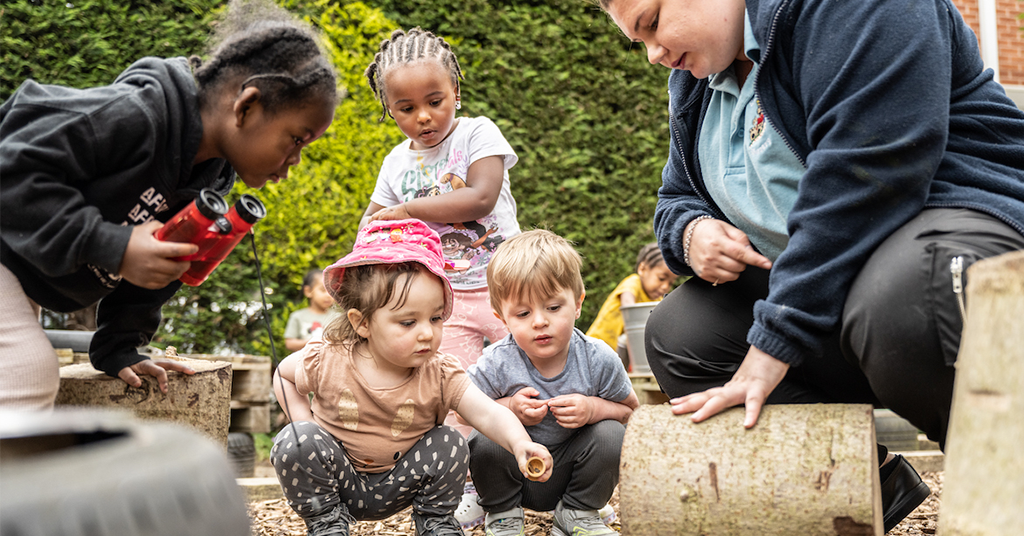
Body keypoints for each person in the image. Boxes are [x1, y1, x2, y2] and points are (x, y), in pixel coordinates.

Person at [601, 0, 1024, 531]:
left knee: (907, 300)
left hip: (954, 237)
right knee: (680, 334)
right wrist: (690, 233)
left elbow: (866, 174)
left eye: (652, 23)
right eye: (637, 41)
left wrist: (774, 341)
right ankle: (862, 487)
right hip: (839, 299)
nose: (652, 54)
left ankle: (1005, 483)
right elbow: (675, 196)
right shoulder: (697, 81)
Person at [0, 0, 338, 410]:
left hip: (20, 263)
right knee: (26, 373)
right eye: (297, 139)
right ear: (246, 106)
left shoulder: (212, 176)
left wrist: (121, 346)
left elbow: (161, 269)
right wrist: (114, 245)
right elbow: (11, 167)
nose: (296, 160)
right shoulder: (137, 114)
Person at [270, 218, 552, 536]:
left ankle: (435, 521)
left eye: (435, 318)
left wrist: (520, 443)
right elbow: (284, 374)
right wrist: (301, 421)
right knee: (297, 440)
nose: (427, 333)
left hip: (402, 481)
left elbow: (486, 412)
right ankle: (326, 523)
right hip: (339, 480)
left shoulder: (439, 371)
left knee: (449, 441)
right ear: (362, 323)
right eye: (408, 322)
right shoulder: (330, 357)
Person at [362, 26, 522, 528]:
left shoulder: (477, 133)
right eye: (406, 108)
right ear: (388, 109)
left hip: (506, 288)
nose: (424, 117)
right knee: (460, 399)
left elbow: (480, 196)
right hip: (446, 304)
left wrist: (407, 209)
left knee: (536, 377)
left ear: (456, 89)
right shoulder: (394, 162)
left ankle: (567, 482)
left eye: (435, 100)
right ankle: (478, 491)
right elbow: (369, 228)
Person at [466, 229, 639, 536]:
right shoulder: (497, 361)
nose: (539, 321)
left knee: (611, 433)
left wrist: (593, 408)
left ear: (578, 303)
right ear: (502, 319)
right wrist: (508, 409)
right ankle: (503, 515)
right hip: (516, 475)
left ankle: (578, 513)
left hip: (574, 474)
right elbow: (462, 408)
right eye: (522, 313)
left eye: (553, 307)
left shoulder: (597, 358)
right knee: (483, 438)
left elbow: (631, 414)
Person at [585, 242, 678, 371]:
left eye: (671, 283)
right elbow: (629, 308)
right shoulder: (633, 283)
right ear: (642, 269)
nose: (665, 287)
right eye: (661, 278)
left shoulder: (656, 300)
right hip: (595, 347)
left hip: (616, 355)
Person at [284, 269, 336, 352]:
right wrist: (316, 341)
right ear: (308, 291)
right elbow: (289, 343)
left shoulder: (338, 317)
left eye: (331, 291)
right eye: (323, 290)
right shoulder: (298, 316)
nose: (328, 295)